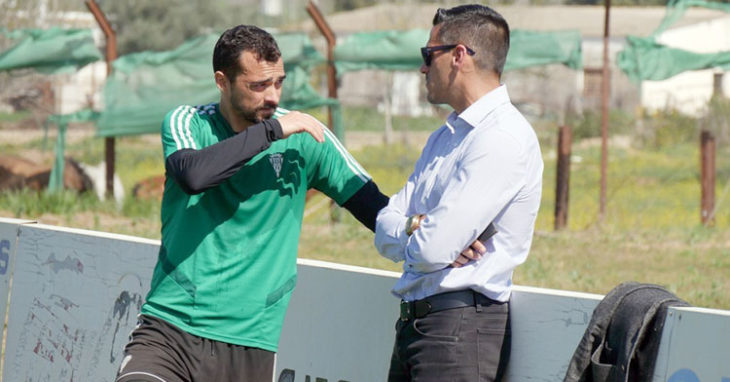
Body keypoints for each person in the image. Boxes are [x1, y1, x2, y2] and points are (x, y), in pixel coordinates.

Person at [116, 25, 388, 382]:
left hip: (251, 341)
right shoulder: (189, 122)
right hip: (171, 328)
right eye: (258, 85)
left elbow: (374, 206)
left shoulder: (305, 137)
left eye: (278, 82)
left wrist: (426, 232)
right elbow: (193, 176)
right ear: (222, 81)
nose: (272, 97)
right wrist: (271, 132)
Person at [374, 4, 544, 381]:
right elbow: (385, 227)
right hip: (424, 326)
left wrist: (423, 237)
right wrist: (420, 226)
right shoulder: (447, 137)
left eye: (428, 54)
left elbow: (433, 248)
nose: (422, 68)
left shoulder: (500, 137)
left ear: (459, 55)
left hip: (458, 331)